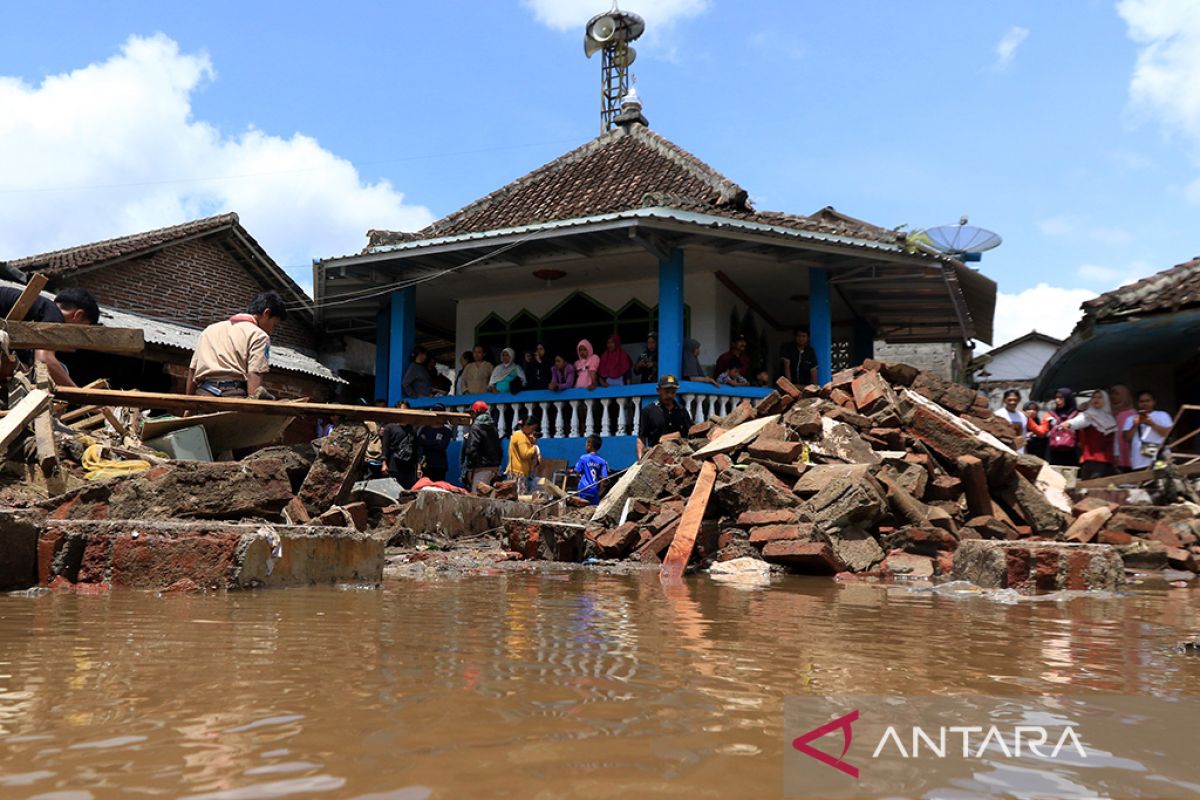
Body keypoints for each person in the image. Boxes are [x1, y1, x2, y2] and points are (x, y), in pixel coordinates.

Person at [186, 291, 286, 398]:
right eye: (274, 325)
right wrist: (253, 405)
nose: (272, 331)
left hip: (203, 394)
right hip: (232, 395)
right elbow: (255, 373)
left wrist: (188, 405)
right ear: (266, 313)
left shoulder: (209, 330)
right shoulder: (259, 336)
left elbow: (192, 371)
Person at [0, 286, 100, 388]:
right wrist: (77, 393)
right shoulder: (55, 316)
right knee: (60, 368)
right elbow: (44, 360)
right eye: (82, 329)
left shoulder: (43, 309)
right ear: (77, 315)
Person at [1060, 390, 1117, 480]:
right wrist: (1069, 424)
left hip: (1107, 460)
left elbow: (1115, 440)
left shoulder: (1110, 417)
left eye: (1099, 397)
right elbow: (1079, 421)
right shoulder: (1088, 416)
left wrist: (1116, 455)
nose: (1096, 399)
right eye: (1094, 397)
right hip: (1092, 460)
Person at [637, 374, 693, 460]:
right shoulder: (648, 411)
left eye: (673, 392)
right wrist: (640, 460)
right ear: (658, 390)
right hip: (656, 460)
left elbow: (690, 434)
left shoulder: (682, 411)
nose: (670, 395)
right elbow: (641, 438)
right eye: (666, 391)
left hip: (680, 460)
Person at [1122, 389, 1173, 471]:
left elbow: (1168, 433)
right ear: (1137, 403)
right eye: (1141, 401)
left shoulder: (1162, 415)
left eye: (1147, 401)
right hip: (1139, 461)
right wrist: (1135, 425)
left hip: (1159, 457)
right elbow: (1126, 438)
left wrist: (1151, 424)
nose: (1144, 404)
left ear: (1154, 402)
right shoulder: (1131, 419)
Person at [462, 401, 502, 491]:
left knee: (477, 497)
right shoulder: (494, 428)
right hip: (494, 469)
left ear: (476, 412)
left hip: (481, 468)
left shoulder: (476, 428)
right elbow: (499, 449)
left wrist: (470, 468)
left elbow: (472, 449)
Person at [417, 403, 454, 483]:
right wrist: (435, 442)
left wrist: (427, 442)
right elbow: (420, 442)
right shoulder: (425, 429)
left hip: (440, 465)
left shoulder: (446, 431)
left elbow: (442, 446)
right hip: (426, 464)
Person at [1046, 387, 1081, 466]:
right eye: (1056, 397)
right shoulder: (1051, 414)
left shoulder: (1077, 415)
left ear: (1068, 399)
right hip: (1054, 452)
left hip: (1072, 453)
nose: (1057, 400)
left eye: (1061, 398)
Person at [381, 417, 419, 490]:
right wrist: (384, 463)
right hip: (393, 465)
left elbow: (415, 449)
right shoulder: (390, 427)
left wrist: (418, 467)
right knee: (393, 490)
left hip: (409, 467)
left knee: (407, 490)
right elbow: (385, 446)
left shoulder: (412, 429)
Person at [506, 417, 540, 495]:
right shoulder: (520, 436)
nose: (533, 431)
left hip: (519, 471)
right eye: (532, 428)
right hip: (518, 472)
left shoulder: (521, 435)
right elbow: (525, 454)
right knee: (519, 497)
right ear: (526, 426)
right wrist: (534, 447)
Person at [573, 434, 609, 505]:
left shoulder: (583, 458)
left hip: (583, 490)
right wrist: (598, 494)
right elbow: (604, 480)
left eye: (586, 444)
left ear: (589, 444)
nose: (585, 446)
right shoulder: (602, 461)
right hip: (594, 492)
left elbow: (577, 472)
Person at [1109, 383, 1136, 471]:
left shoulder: (1132, 414)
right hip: (1110, 454)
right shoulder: (1108, 413)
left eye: (1117, 394)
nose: (1113, 396)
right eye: (1111, 394)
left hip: (1128, 454)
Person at [363, 399, 386, 479]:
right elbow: (363, 440)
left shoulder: (388, 424)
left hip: (383, 458)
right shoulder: (368, 423)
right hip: (370, 458)